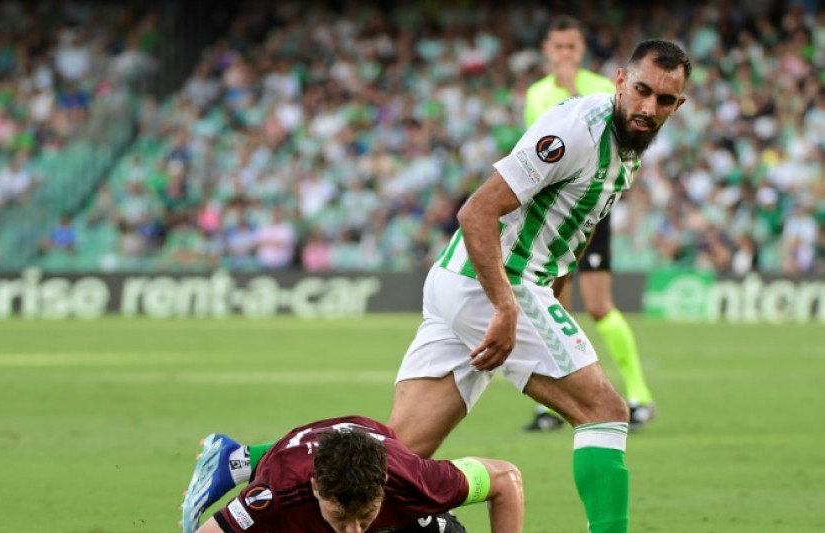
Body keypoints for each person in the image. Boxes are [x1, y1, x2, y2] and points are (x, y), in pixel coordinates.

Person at [385, 41, 689, 533]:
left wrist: (556, 303)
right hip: (496, 283)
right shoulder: (576, 133)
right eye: (642, 91)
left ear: (680, 104)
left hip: (459, 281)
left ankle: (247, 468)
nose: (649, 108)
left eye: (665, 100)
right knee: (604, 412)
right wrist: (506, 308)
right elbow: (476, 212)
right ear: (618, 81)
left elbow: (575, 229)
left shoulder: (630, 144)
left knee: (400, 453)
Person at [522, 16, 656, 431]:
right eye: (558, 47)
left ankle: (638, 395)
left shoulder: (601, 87)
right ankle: (553, 406)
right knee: (550, 306)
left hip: (592, 211)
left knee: (598, 305)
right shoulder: (537, 94)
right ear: (547, 50)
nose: (565, 54)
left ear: (581, 50)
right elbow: (541, 146)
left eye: (571, 47)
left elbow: (608, 135)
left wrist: (572, 89)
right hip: (550, 216)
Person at [180, 416, 523, 533]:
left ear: (384, 488)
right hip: (290, 462)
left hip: (377, 442)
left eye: (365, 516)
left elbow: (506, 480)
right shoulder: (275, 493)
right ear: (316, 488)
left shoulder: (417, 480)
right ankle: (238, 461)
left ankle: (237, 460)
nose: (354, 532)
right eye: (341, 516)